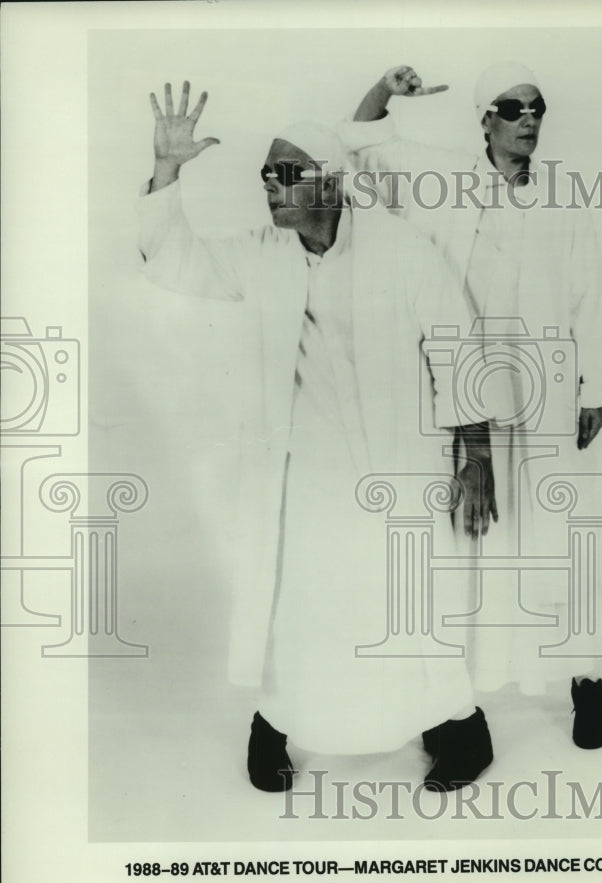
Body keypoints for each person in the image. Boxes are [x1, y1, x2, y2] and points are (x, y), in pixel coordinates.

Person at [137, 81, 499, 793]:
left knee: (408, 602)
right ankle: (271, 727)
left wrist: (476, 456)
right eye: (266, 174)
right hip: (304, 474)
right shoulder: (260, 253)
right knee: (298, 607)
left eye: (288, 172)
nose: (271, 186)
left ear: (333, 182)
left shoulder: (403, 252)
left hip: (396, 465)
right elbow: (171, 260)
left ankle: (458, 731)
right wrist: (166, 173)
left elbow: (458, 348)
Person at [339, 61, 602, 749]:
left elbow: (588, 292)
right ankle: (463, 695)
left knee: (557, 541)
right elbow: (358, 144)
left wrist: (598, 385)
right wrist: (384, 90)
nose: (528, 119)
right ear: (483, 119)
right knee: (475, 537)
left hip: (546, 392)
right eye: (511, 107)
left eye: (536, 107)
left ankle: (584, 679)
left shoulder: (564, 197)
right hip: (465, 394)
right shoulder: (440, 180)